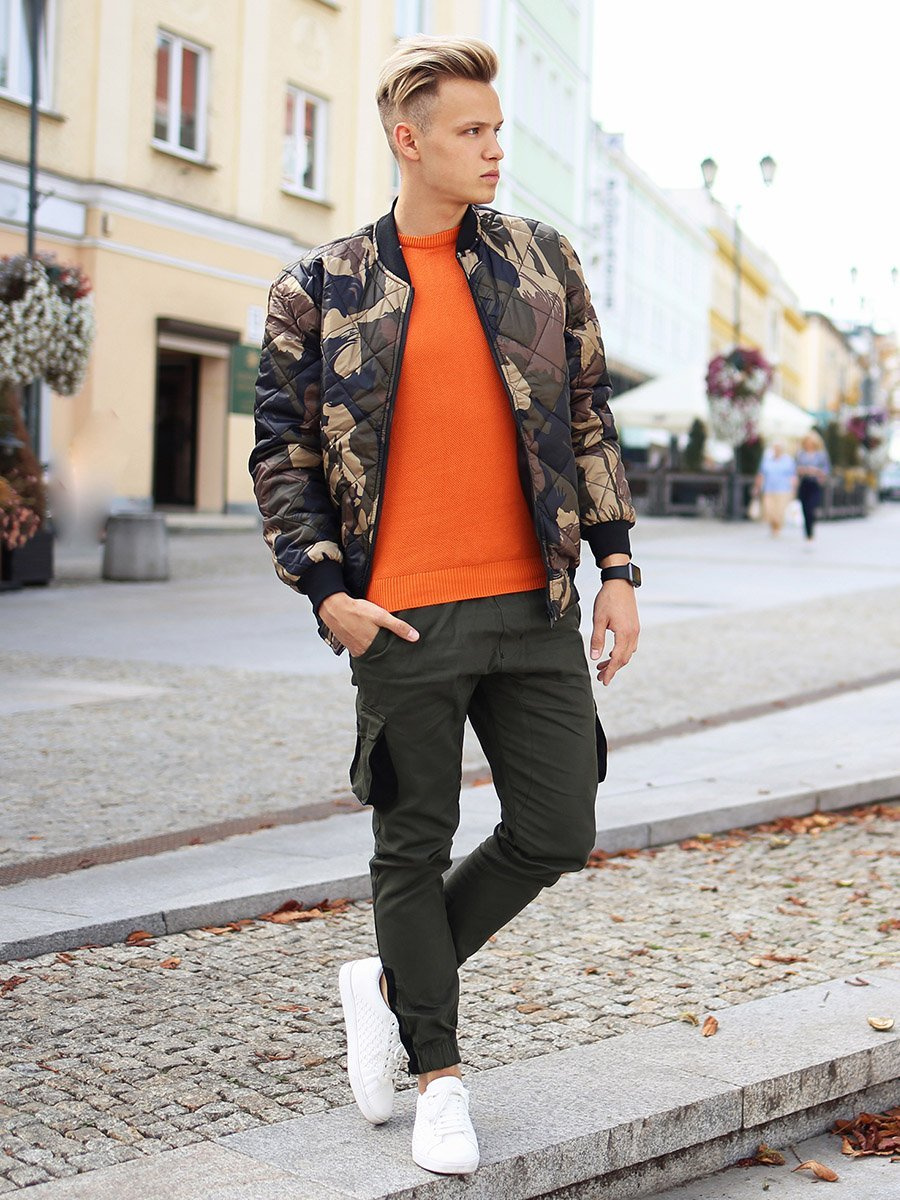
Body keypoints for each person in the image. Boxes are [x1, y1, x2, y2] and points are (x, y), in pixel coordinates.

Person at [249, 35, 639, 1177]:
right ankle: (439, 1077)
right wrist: (328, 593)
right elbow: (282, 454)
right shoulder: (321, 286)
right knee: (409, 846)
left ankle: (388, 982)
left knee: (556, 829)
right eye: (472, 131)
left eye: (497, 129)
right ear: (408, 140)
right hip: (402, 618)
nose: (494, 149)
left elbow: (587, 418)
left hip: (534, 606)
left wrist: (617, 569)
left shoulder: (542, 262)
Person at [754, 442, 798, 536]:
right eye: (775, 448)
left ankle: (777, 528)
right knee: (769, 510)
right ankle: (773, 526)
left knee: (780, 511)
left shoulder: (788, 461)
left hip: (784, 489)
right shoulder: (767, 460)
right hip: (768, 489)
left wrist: (794, 489)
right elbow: (761, 474)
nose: (777, 450)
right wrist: (757, 487)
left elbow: (793, 476)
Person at [794, 431, 831, 542]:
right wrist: (804, 470)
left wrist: (817, 472)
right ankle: (808, 532)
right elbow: (795, 468)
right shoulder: (800, 454)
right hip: (804, 483)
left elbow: (826, 469)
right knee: (805, 509)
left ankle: (811, 529)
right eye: (807, 442)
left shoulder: (821, 454)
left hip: (815, 483)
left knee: (812, 507)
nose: (809, 444)